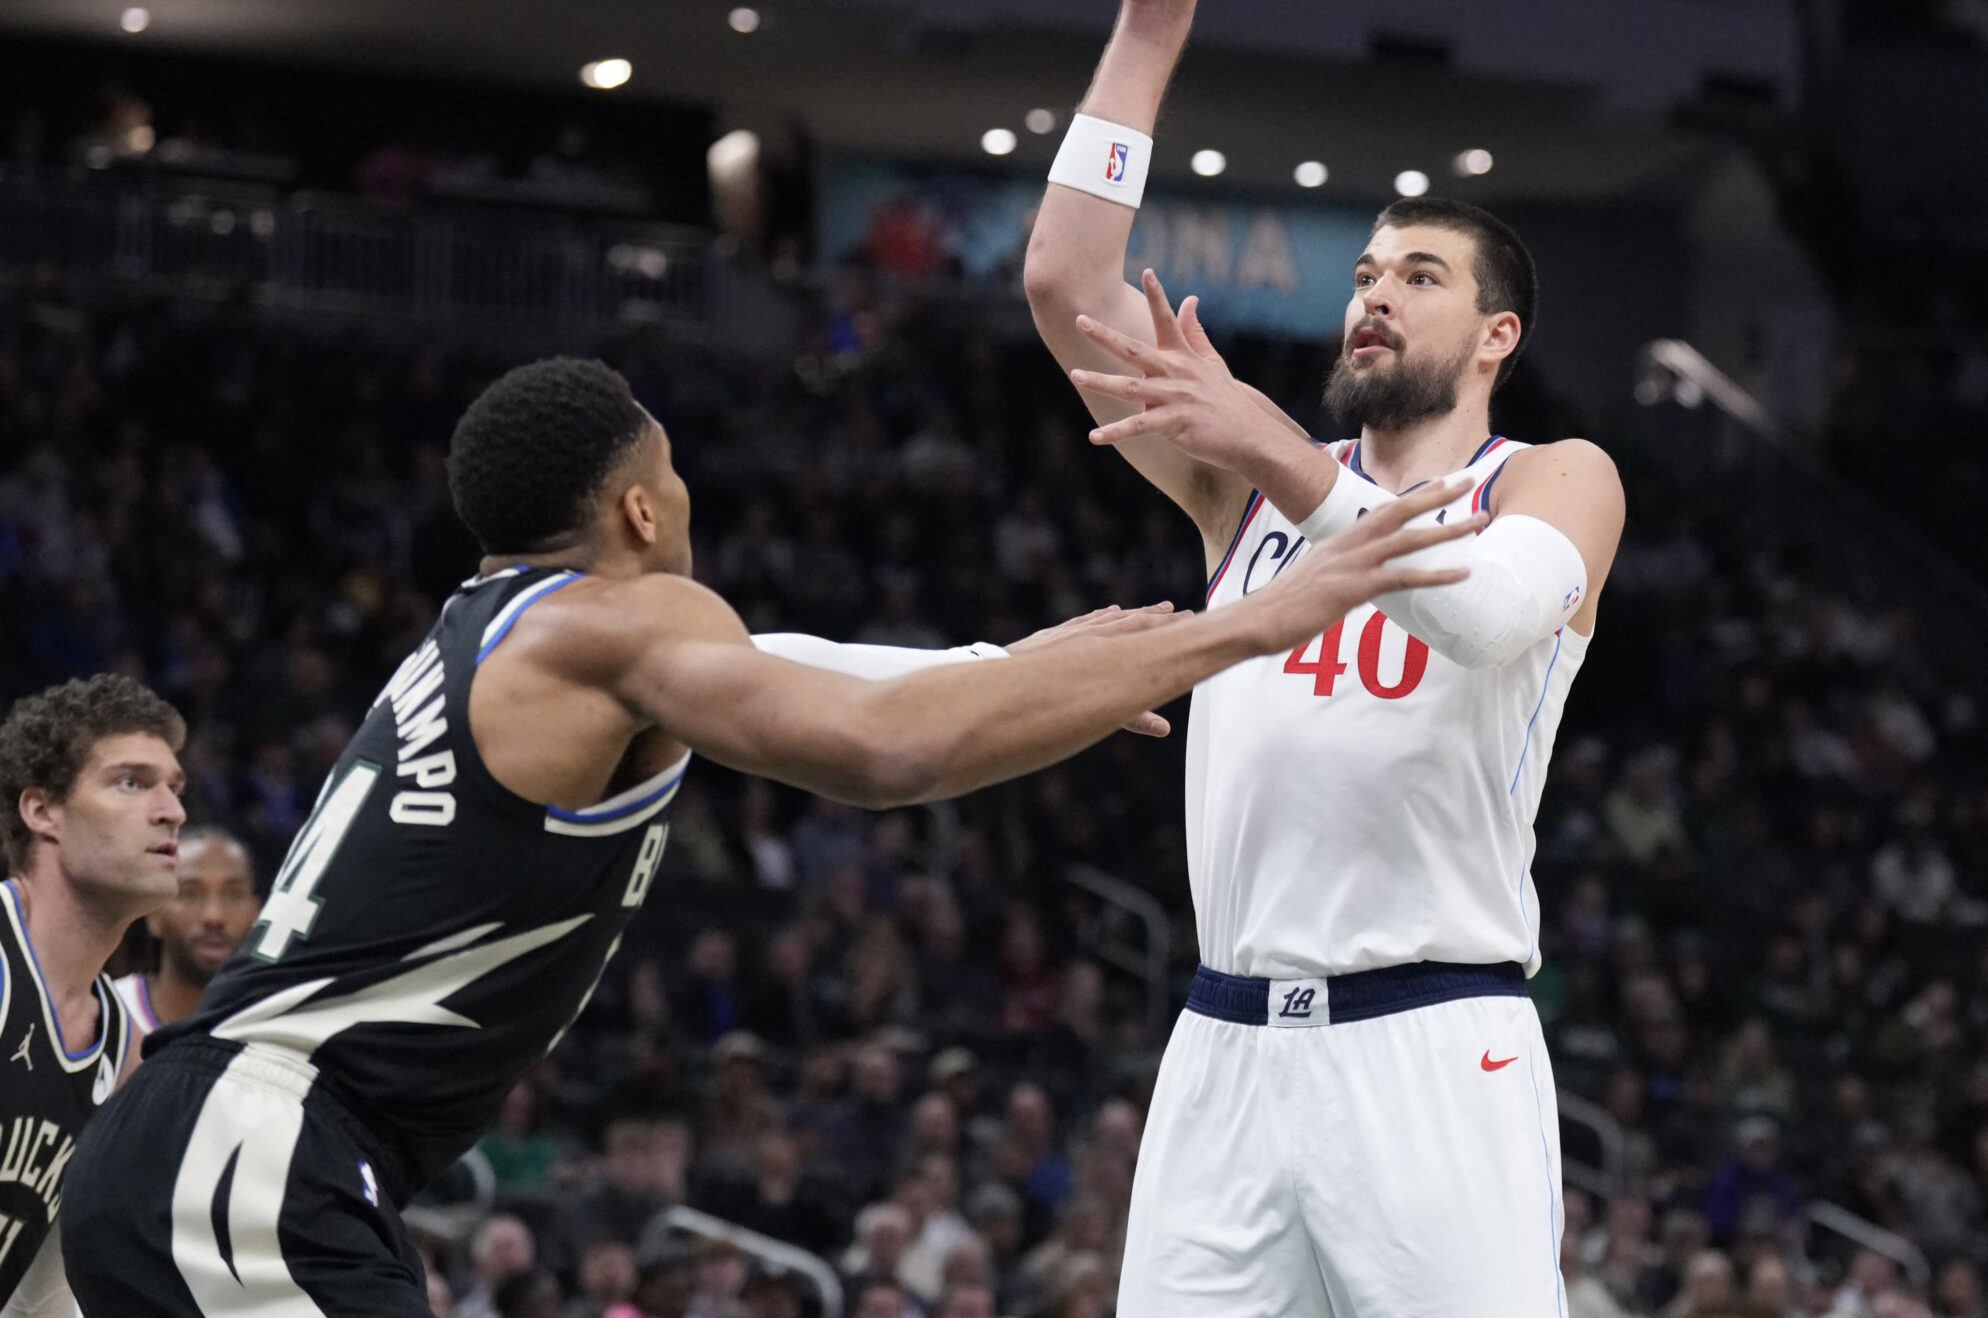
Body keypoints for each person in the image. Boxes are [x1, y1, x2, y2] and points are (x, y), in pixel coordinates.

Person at [59, 355, 1478, 1315]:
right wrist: (1256, 623)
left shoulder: (494, 633)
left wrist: (1019, 656)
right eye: (672, 476)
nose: (687, 502)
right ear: (634, 504)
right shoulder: (630, 616)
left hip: (215, 1149)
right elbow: (885, 745)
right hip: (253, 1153)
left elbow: (818, 665)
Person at [1022, 0, 1626, 1317]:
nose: (1374, 295)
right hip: (1227, 1041)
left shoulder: (1552, 477)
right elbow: (1062, 282)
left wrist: (1274, 454)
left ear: (1497, 336)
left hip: (1434, 1039)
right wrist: (1152, 16)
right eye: (1363, 273)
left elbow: (1481, 618)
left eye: (1417, 276)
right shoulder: (1249, 490)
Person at [0, 674, 187, 1315]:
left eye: (174, 787)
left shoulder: (119, 1046)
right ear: (42, 810)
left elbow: (43, 1290)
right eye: (131, 782)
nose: (171, 811)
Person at [110, 825, 261, 1035]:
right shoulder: (107, 1012)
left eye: (233, 895)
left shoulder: (277, 1023)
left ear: (256, 913)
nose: (214, 916)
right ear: (154, 914)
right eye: (191, 894)